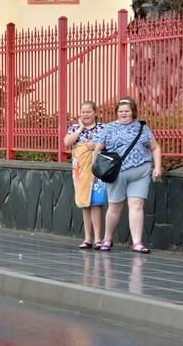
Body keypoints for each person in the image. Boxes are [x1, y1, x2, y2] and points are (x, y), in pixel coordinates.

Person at [93, 97, 162, 253]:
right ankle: (107, 238)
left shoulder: (142, 128)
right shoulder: (109, 128)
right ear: (117, 112)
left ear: (133, 112)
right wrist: (95, 171)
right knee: (115, 206)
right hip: (116, 173)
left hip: (140, 171)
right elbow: (97, 150)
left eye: (127, 111)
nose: (124, 114)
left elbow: (155, 148)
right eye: (121, 111)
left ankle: (137, 242)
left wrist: (157, 167)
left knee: (137, 205)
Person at [63, 101, 106, 250]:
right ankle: (87, 238)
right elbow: (67, 142)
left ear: (95, 112)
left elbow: (110, 144)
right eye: (83, 112)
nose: (85, 115)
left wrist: (96, 146)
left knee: (96, 203)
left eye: (88, 112)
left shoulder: (103, 128)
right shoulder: (74, 128)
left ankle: (98, 239)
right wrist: (80, 128)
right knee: (84, 204)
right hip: (80, 170)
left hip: (96, 168)